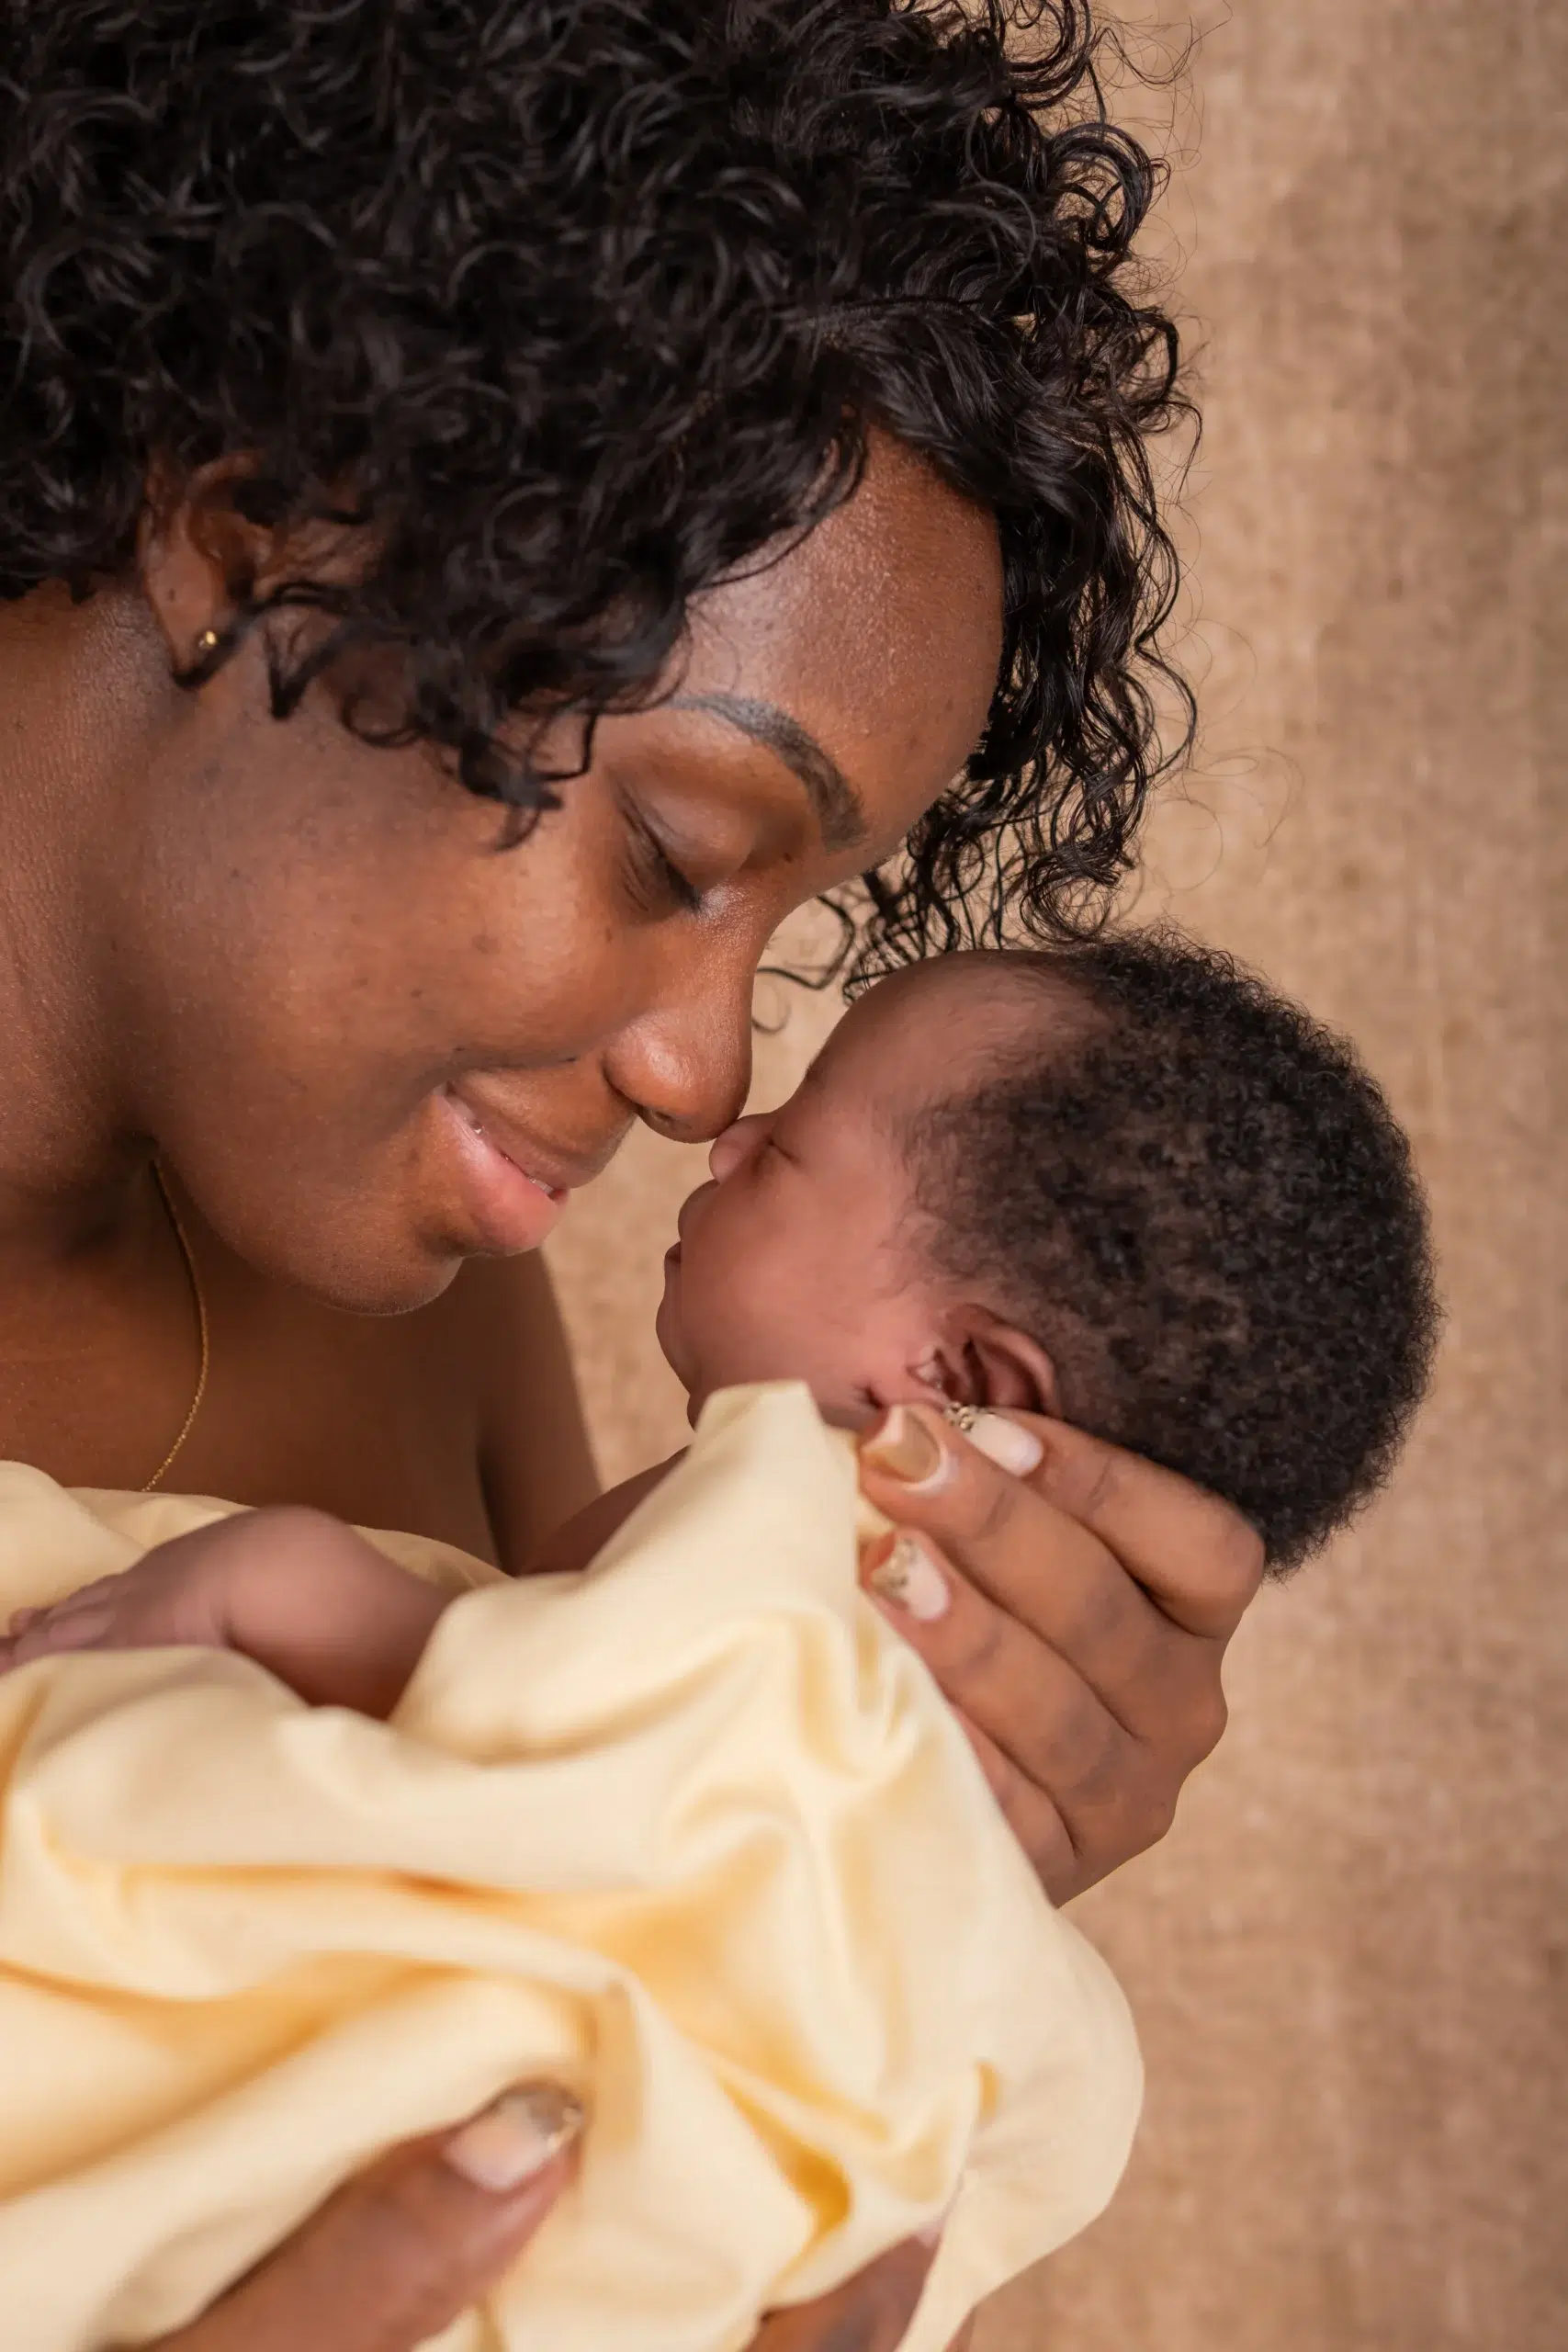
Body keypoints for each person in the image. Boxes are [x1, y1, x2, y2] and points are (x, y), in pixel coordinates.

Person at [0, 5, 1266, 2346]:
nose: (704, 1072)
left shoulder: (429, 1310)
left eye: (788, 928)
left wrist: (875, 1846)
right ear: (240, 535)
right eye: (676, 852)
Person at [0, 933, 1436, 2352]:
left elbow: (578, 1751)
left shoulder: (813, 1522)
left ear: (953, 1378)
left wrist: (276, 1581)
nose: (724, 1129)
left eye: (790, 1147)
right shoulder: (843, 1612)